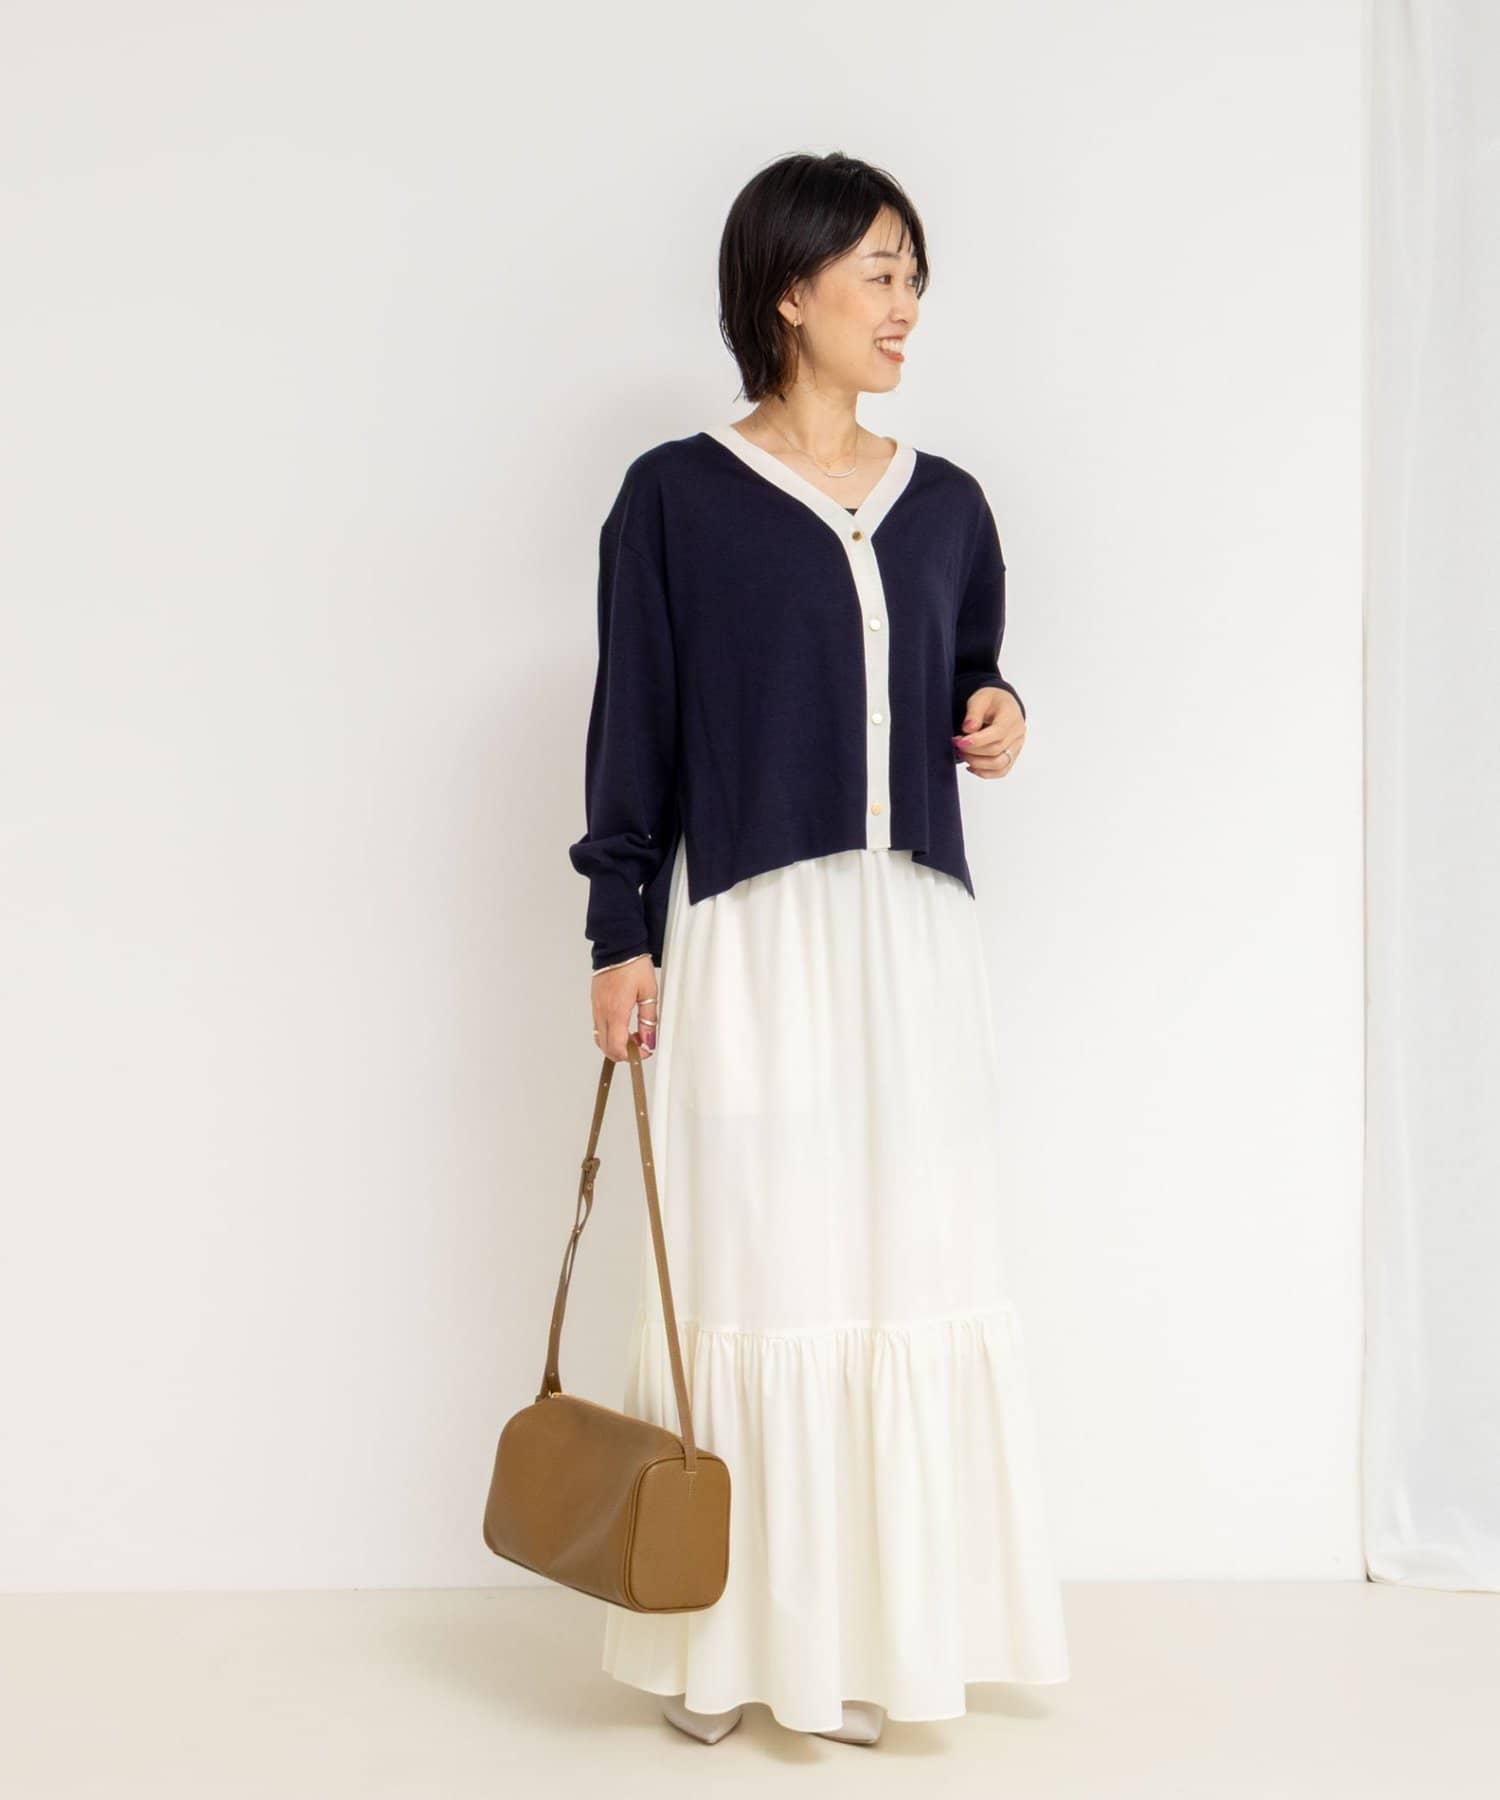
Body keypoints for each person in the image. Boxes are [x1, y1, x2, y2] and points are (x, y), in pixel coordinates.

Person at [567, 150, 1069, 1748]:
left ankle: (865, 1645)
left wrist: (997, 712)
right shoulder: (676, 497)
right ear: (789, 290)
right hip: (756, 939)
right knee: (756, 1265)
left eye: (914, 275)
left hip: (909, 937)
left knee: (899, 1263)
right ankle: (718, 1650)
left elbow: (970, 670)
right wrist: (619, 931)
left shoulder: (951, 503)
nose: (906, 305)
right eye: (878, 273)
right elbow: (633, 730)